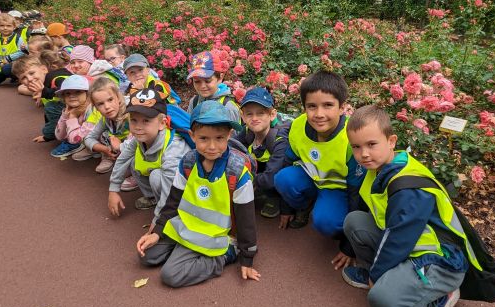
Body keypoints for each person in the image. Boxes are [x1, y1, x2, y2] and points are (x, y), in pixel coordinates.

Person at [342, 105, 480, 307]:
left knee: (381, 301)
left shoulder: (407, 189)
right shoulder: (379, 167)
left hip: (438, 259)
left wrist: (377, 276)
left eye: (371, 144)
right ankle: (385, 278)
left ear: (391, 141)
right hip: (410, 245)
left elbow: (398, 239)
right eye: (356, 147)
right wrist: (350, 250)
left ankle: (439, 302)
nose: (364, 154)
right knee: (354, 222)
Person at [135, 100, 260, 288]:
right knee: (146, 256)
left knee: (170, 275)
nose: (211, 146)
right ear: (192, 136)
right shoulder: (187, 162)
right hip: (187, 226)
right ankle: (181, 245)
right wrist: (158, 231)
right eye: (203, 139)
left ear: (229, 135)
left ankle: (224, 256)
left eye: (219, 138)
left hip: (216, 234)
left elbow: (246, 218)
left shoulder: (237, 172)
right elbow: (173, 201)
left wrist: (247, 257)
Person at [270, 71, 363, 270]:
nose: (319, 114)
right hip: (312, 179)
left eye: (328, 105)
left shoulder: (351, 139)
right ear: (304, 108)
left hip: (340, 190)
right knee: (283, 179)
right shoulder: (298, 126)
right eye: (312, 106)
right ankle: (304, 205)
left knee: (325, 222)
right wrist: (286, 207)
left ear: (342, 107)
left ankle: (333, 218)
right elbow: (288, 161)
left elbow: (357, 194)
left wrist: (349, 246)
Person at [107, 89, 190, 224]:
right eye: (134, 120)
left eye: (146, 121)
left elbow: (171, 189)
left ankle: (174, 215)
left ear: (162, 123)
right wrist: (113, 190)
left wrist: (158, 221)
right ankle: (152, 198)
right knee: (133, 160)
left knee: (156, 177)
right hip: (168, 177)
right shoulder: (139, 138)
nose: (138, 127)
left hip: (184, 188)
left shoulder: (173, 147)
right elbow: (123, 159)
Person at [233, 87, 288, 218]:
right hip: (265, 164)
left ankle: (275, 197)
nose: (254, 118)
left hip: (281, 170)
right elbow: (232, 147)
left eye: (261, 113)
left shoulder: (280, 138)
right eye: (249, 114)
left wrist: (248, 183)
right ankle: (260, 188)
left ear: (272, 114)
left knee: (280, 177)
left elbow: (271, 176)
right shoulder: (247, 130)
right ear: (243, 116)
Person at [83, 77, 130, 174]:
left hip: (135, 145)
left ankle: (136, 172)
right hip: (119, 146)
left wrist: (120, 146)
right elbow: (88, 138)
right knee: (106, 134)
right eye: (100, 104)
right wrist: (105, 150)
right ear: (95, 107)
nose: (107, 107)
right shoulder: (105, 119)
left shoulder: (131, 113)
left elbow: (142, 140)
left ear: (118, 97)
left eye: (110, 99)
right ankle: (109, 156)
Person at [185, 51, 240, 124]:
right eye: (197, 82)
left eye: (208, 81)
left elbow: (235, 134)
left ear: (220, 78)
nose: (202, 86)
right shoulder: (194, 102)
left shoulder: (228, 106)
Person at [52, 75, 95, 158]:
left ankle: (92, 150)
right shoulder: (70, 109)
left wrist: (72, 118)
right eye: (67, 93)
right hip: (78, 137)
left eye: (78, 92)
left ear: (87, 94)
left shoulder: (92, 110)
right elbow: (59, 136)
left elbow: (76, 139)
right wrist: (65, 116)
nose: (71, 96)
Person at [0, 14, 26, 88]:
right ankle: (6, 75)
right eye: (2, 25)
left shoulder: (18, 38)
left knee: (6, 69)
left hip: (15, 65)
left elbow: (22, 51)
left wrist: (8, 58)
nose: (5, 28)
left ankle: (17, 76)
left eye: (9, 26)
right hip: (0, 65)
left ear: (14, 27)